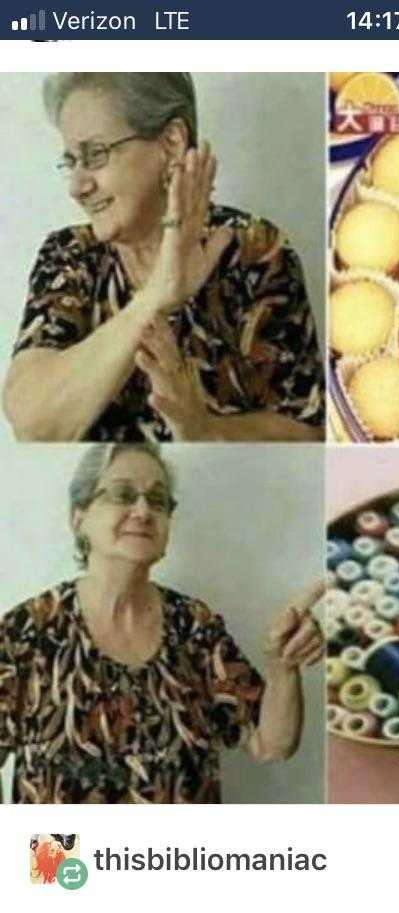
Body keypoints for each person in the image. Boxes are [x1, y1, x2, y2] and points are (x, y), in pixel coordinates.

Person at [3, 73, 324, 443]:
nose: (77, 186)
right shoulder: (69, 256)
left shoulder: (252, 248)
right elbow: (35, 425)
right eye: (71, 160)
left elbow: (305, 429)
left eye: (95, 155)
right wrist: (156, 295)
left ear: (170, 143)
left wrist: (204, 431)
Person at [0, 442, 324, 802]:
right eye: (123, 494)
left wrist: (282, 668)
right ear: (79, 518)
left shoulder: (195, 627)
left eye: (157, 501)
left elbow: (272, 745)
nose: (142, 511)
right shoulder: (26, 632)